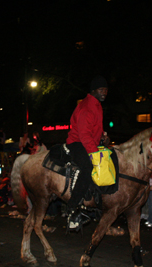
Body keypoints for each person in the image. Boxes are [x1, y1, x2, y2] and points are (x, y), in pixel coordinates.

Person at [65, 75, 109, 230]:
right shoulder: (87, 107)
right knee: (89, 167)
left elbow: (95, 128)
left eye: (106, 90)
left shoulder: (96, 105)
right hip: (77, 143)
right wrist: (94, 154)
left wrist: (103, 136)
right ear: (93, 90)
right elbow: (84, 135)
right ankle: (72, 208)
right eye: (101, 89)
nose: (104, 92)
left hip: (90, 143)